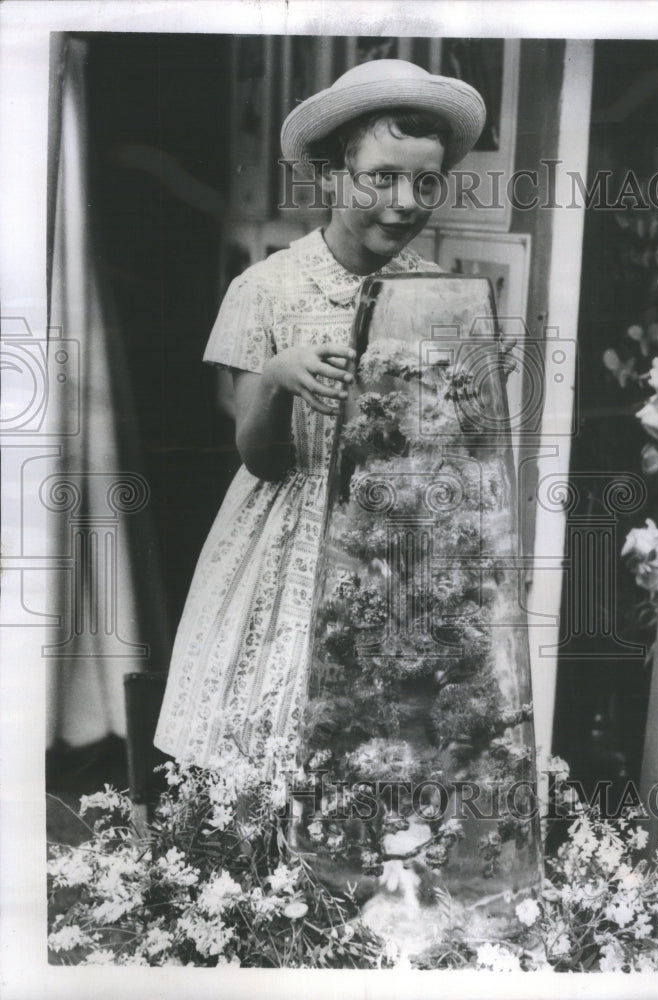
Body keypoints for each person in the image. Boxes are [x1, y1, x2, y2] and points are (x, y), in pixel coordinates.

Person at [154, 59, 486, 781]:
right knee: (272, 747)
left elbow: (452, 455)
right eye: (381, 177)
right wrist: (276, 379)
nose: (404, 202)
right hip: (289, 538)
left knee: (384, 751)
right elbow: (259, 456)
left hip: (394, 552)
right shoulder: (266, 289)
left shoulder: (438, 295)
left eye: (425, 182)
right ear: (336, 175)